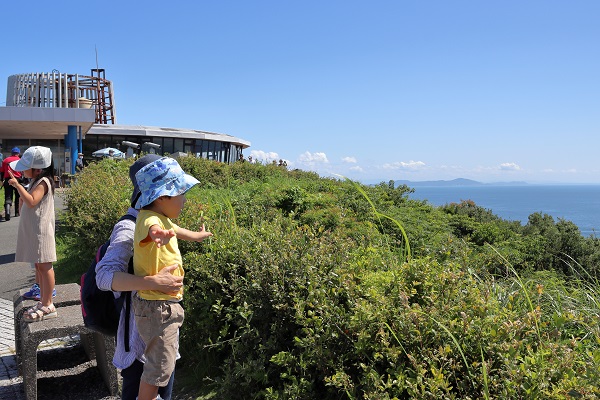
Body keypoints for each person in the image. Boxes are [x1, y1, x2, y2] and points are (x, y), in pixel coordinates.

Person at [95, 154, 184, 400]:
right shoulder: (130, 227)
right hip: (138, 347)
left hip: (163, 336)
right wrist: (151, 283)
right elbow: (104, 276)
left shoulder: (158, 220)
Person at [132, 157, 212, 400]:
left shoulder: (162, 218)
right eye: (180, 193)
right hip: (159, 307)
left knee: (160, 364)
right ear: (161, 197)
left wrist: (197, 236)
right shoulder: (150, 219)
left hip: (160, 305)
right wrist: (158, 235)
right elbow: (153, 229)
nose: (184, 199)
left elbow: (176, 230)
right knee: (157, 368)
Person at [8, 146, 57, 322]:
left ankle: (48, 304)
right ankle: (44, 300)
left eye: (25, 167)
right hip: (35, 230)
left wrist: (18, 186)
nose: (22, 171)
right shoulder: (38, 180)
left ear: (37, 168)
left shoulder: (43, 181)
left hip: (41, 232)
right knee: (39, 267)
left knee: (45, 266)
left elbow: (31, 201)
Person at [1, 147, 23, 220]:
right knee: (18, 196)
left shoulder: (5, 160)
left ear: (11, 153)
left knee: (8, 196)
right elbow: (22, 172)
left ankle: (7, 211)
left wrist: (1, 180)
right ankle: (17, 213)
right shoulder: (20, 160)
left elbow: (2, 172)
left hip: (8, 180)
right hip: (17, 180)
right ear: (18, 153)